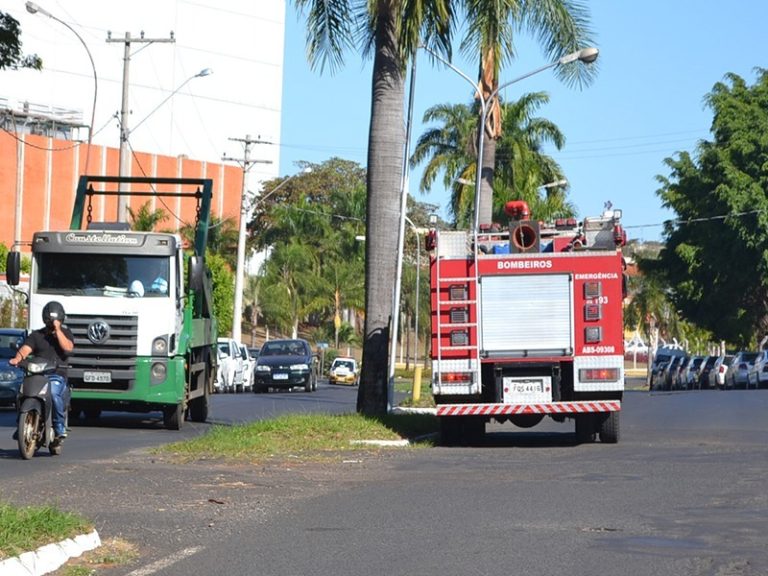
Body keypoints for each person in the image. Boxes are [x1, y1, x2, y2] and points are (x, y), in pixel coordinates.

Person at [10, 301, 75, 440]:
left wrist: (58, 330)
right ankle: (21, 424)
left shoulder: (66, 333)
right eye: (50, 319)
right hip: (37, 374)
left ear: (61, 319)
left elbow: (68, 348)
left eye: (55, 320)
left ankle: (59, 427)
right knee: (21, 393)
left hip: (56, 375)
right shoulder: (36, 335)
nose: (52, 322)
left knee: (53, 394)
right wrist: (17, 359)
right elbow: (25, 349)